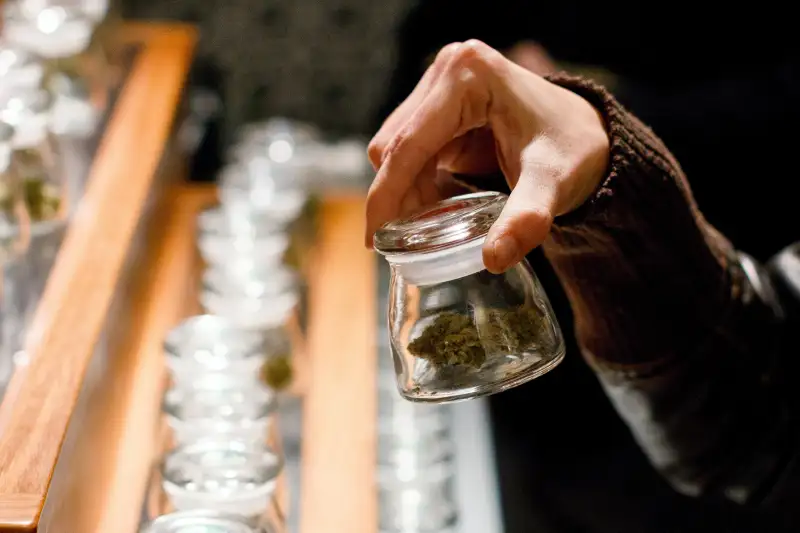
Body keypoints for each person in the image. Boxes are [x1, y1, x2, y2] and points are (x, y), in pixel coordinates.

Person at [366, 40, 800, 532]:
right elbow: (758, 404)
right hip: (594, 305)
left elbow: (754, 437)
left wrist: (609, 105)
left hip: (642, 425)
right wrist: (601, 161)